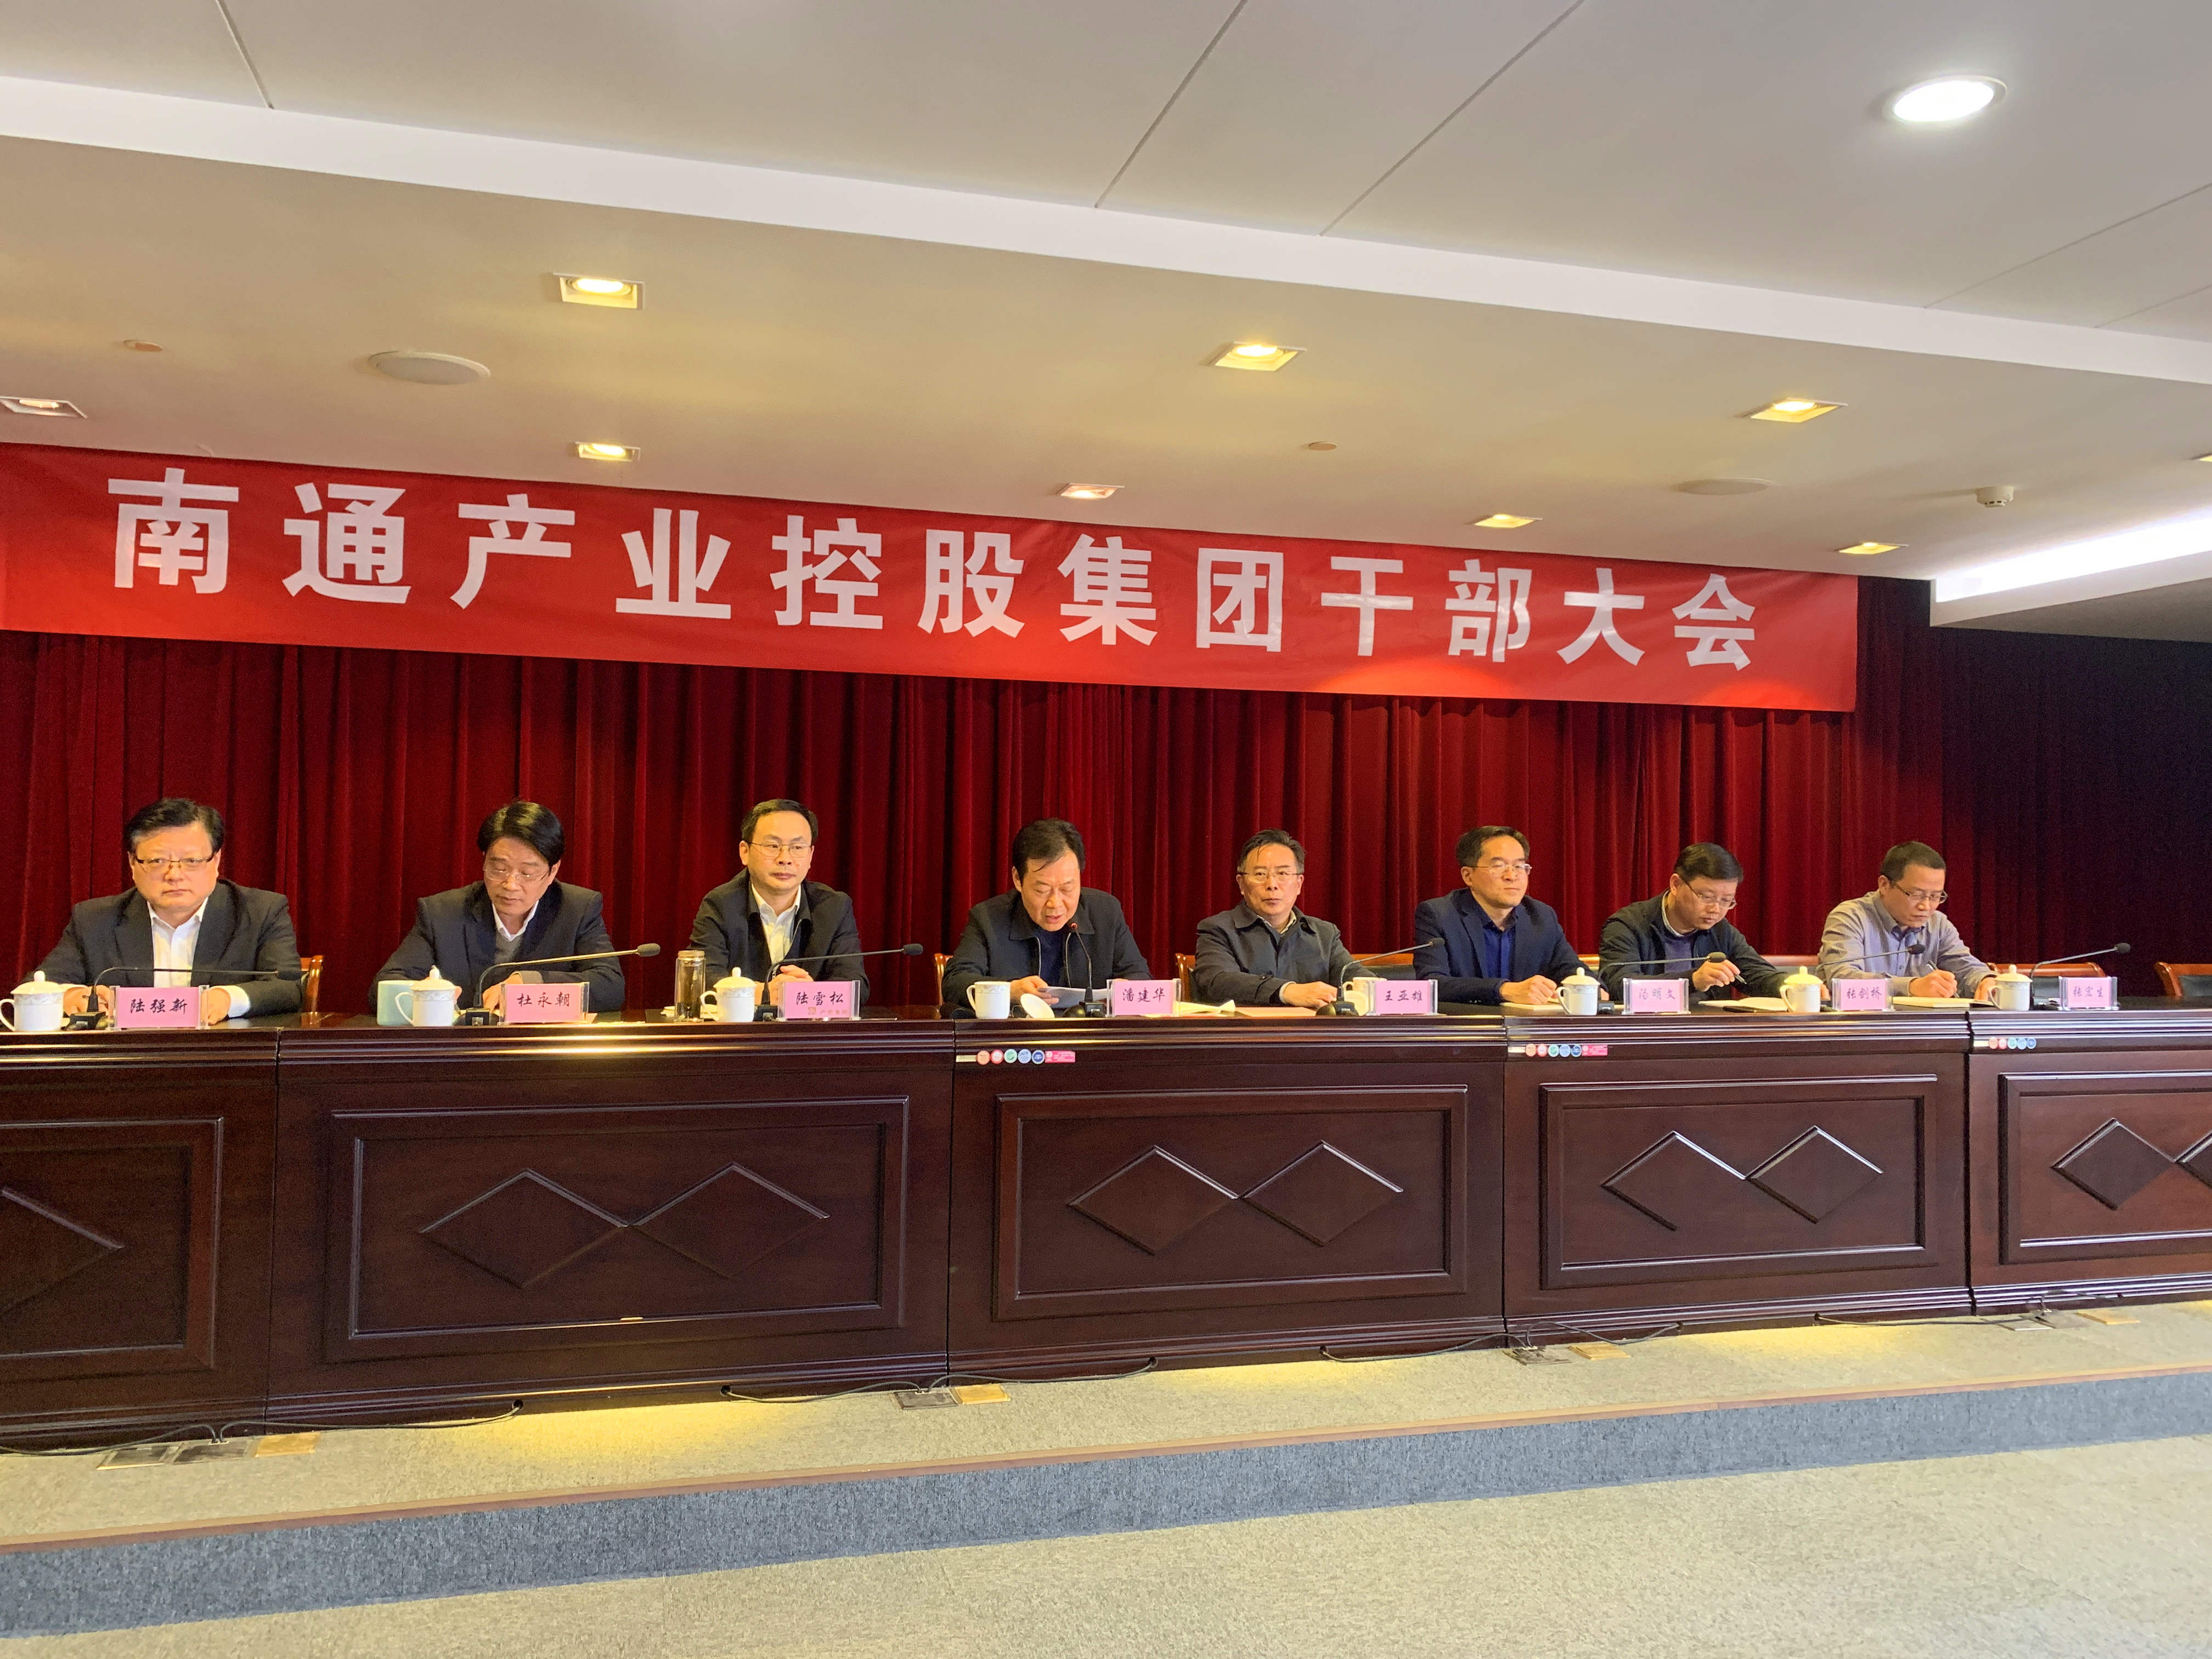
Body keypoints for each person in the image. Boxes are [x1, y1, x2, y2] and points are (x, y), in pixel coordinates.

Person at [38, 797, 302, 1024]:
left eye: (192, 861)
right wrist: (71, 996)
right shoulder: (95, 920)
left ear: (216, 861)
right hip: (124, 1060)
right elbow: (39, 983)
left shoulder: (261, 912)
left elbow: (288, 987)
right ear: (133, 863)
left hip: (221, 1058)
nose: (174, 875)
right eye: (157, 861)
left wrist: (227, 998)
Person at [376, 800, 623, 1014]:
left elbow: (610, 986)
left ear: (552, 871)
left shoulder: (577, 909)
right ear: (484, 861)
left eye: (527, 873)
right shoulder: (442, 913)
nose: (510, 884)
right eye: (499, 869)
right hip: (463, 1049)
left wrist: (530, 983)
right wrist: (431, 996)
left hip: (544, 1049)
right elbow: (384, 987)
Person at [942, 818, 1148, 1006]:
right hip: (1019, 1034)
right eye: (1042, 890)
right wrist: (1010, 991)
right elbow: (955, 982)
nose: (1055, 903)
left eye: (1067, 888)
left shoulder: (1106, 912)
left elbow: (1140, 976)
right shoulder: (988, 918)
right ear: (1018, 879)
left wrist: (1126, 989)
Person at [690, 798, 868, 1007]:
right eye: (773, 846)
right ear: (745, 852)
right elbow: (701, 979)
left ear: (811, 855)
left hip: (809, 1028)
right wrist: (765, 994)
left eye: (797, 847)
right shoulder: (720, 905)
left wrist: (808, 994)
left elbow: (856, 986)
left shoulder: (834, 908)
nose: (785, 858)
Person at [1191, 831, 1372, 1008]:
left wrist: (1375, 989)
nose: (1272, 885)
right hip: (1247, 1028)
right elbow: (1217, 981)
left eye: (1283, 874)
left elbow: (1356, 977)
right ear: (1241, 884)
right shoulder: (1218, 929)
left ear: (1299, 884)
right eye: (1260, 874)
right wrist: (1287, 991)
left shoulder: (1324, 934)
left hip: (1312, 1028)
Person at [1412, 826, 1584, 1006]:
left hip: (1528, 1024)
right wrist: (1502, 989)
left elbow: (1573, 970)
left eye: (1519, 866)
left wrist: (1592, 989)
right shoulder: (1439, 914)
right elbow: (1432, 984)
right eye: (1499, 866)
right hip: (1465, 1022)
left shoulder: (1541, 916)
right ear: (1468, 876)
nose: (1512, 876)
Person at [1599, 842, 1786, 1001]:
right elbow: (1620, 987)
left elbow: (1757, 974)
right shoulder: (1627, 926)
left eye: (1726, 901)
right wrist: (1693, 981)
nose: (1715, 910)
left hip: (1708, 1030)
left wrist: (1792, 985)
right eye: (1706, 897)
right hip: (1649, 1030)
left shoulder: (1720, 931)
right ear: (1676, 884)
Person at [1819, 840, 1995, 1001]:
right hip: (1861, 1023)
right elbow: (1842, 982)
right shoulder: (1850, 918)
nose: (1926, 906)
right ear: (1884, 885)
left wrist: (1986, 981)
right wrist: (1911, 987)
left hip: (1922, 1025)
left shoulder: (1938, 924)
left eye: (1935, 896)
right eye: (1916, 895)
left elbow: (1966, 968)